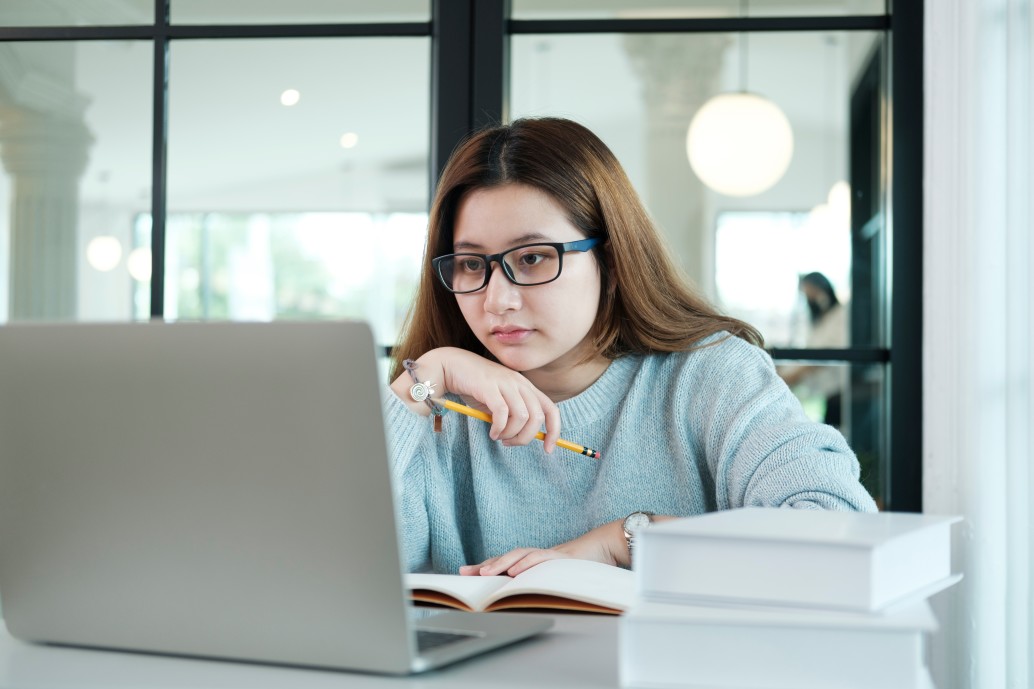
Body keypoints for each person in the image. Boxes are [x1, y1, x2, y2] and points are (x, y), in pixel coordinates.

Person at [385, 117, 877, 579]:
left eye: (532, 258)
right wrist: (420, 380)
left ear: (613, 262)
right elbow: (333, 568)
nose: (497, 300)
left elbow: (840, 533)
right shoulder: (436, 403)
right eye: (472, 265)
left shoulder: (710, 376)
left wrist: (622, 543)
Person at [779, 272, 848, 427]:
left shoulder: (839, 316)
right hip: (827, 391)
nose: (809, 299)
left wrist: (789, 377)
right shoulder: (820, 321)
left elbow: (824, 354)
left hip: (840, 390)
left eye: (811, 293)